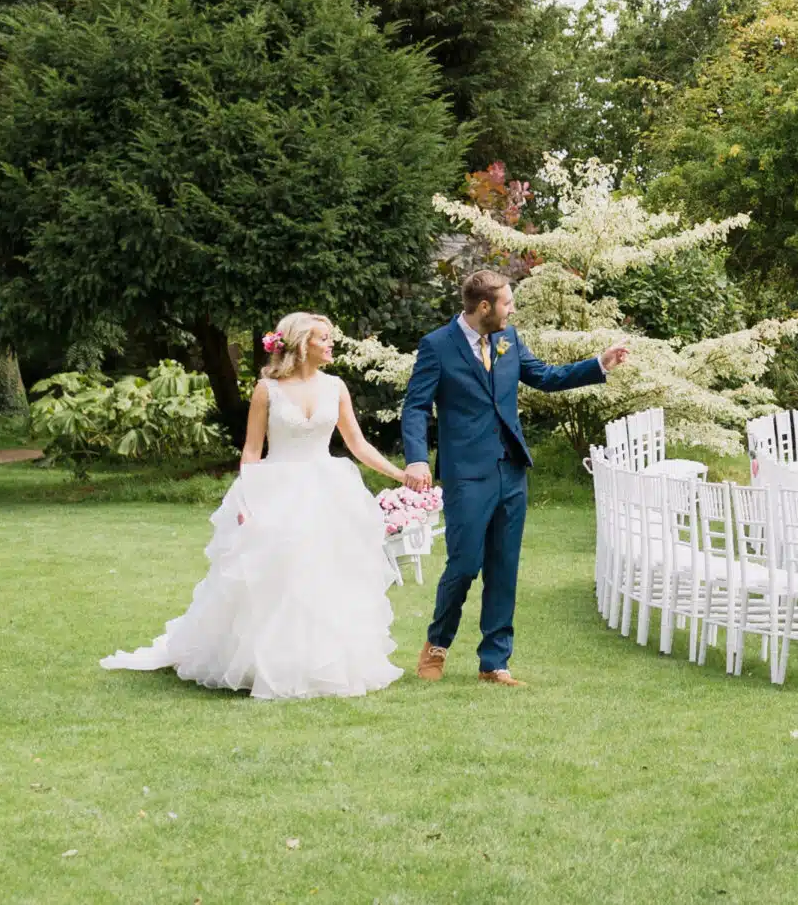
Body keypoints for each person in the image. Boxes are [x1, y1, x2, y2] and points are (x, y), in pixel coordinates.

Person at [102, 312, 409, 700]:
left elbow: (358, 444)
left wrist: (400, 475)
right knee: (277, 577)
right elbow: (251, 450)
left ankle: (324, 663)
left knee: (326, 576)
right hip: (277, 488)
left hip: (328, 490)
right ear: (301, 344)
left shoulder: (336, 387)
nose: (331, 344)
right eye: (324, 338)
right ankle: (266, 663)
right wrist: (246, 499)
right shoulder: (268, 390)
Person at [401, 269, 628, 686]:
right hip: (467, 474)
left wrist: (598, 364)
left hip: (511, 470)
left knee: (504, 567)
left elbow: (546, 377)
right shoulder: (436, 346)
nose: (513, 309)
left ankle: (495, 662)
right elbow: (415, 407)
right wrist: (417, 459)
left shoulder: (508, 340)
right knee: (466, 563)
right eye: (507, 302)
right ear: (484, 306)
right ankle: (437, 644)